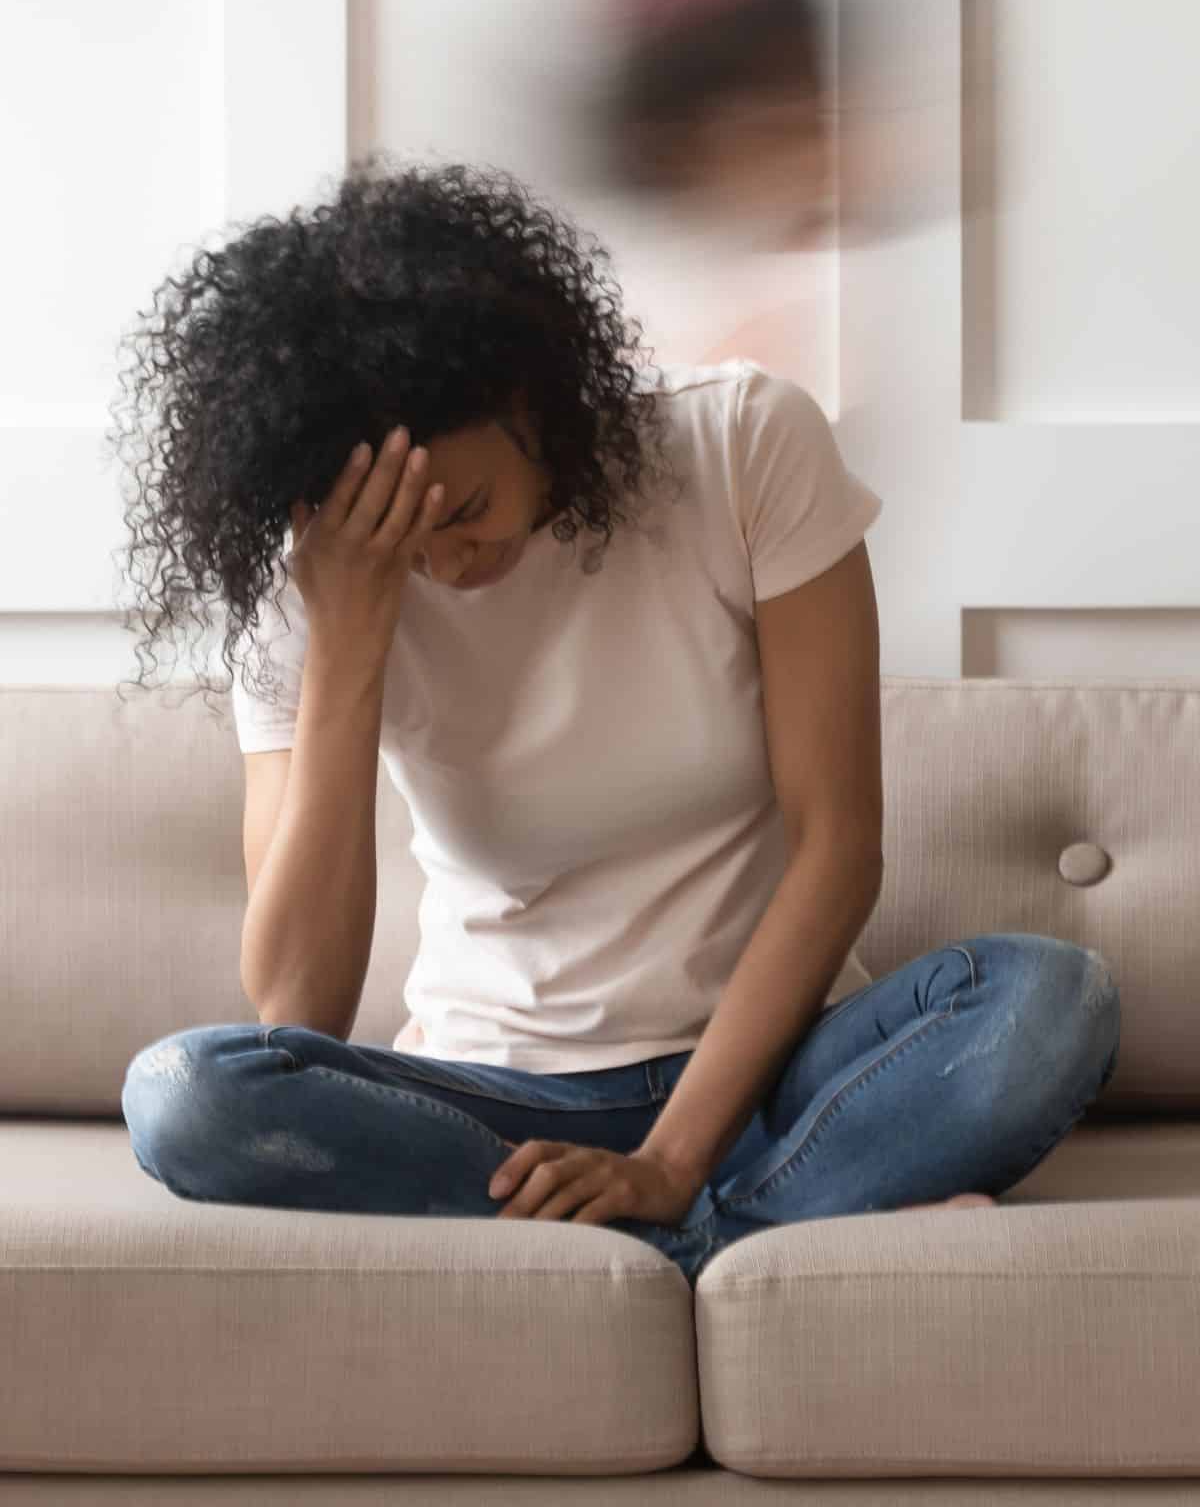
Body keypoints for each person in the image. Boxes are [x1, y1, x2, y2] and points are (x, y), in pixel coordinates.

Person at [114, 155, 1120, 1289]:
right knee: (182, 1096)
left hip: (778, 1074)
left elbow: (841, 849)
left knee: (1051, 1001)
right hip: (493, 1106)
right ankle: (764, 1227)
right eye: (411, 542)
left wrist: (670, 1159)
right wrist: (349, 639)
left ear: (532, 401)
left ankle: (677, 1222)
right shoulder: (318, 591)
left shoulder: (743, 444)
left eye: (471, 510)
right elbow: (297, 1006)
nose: (449, 559)